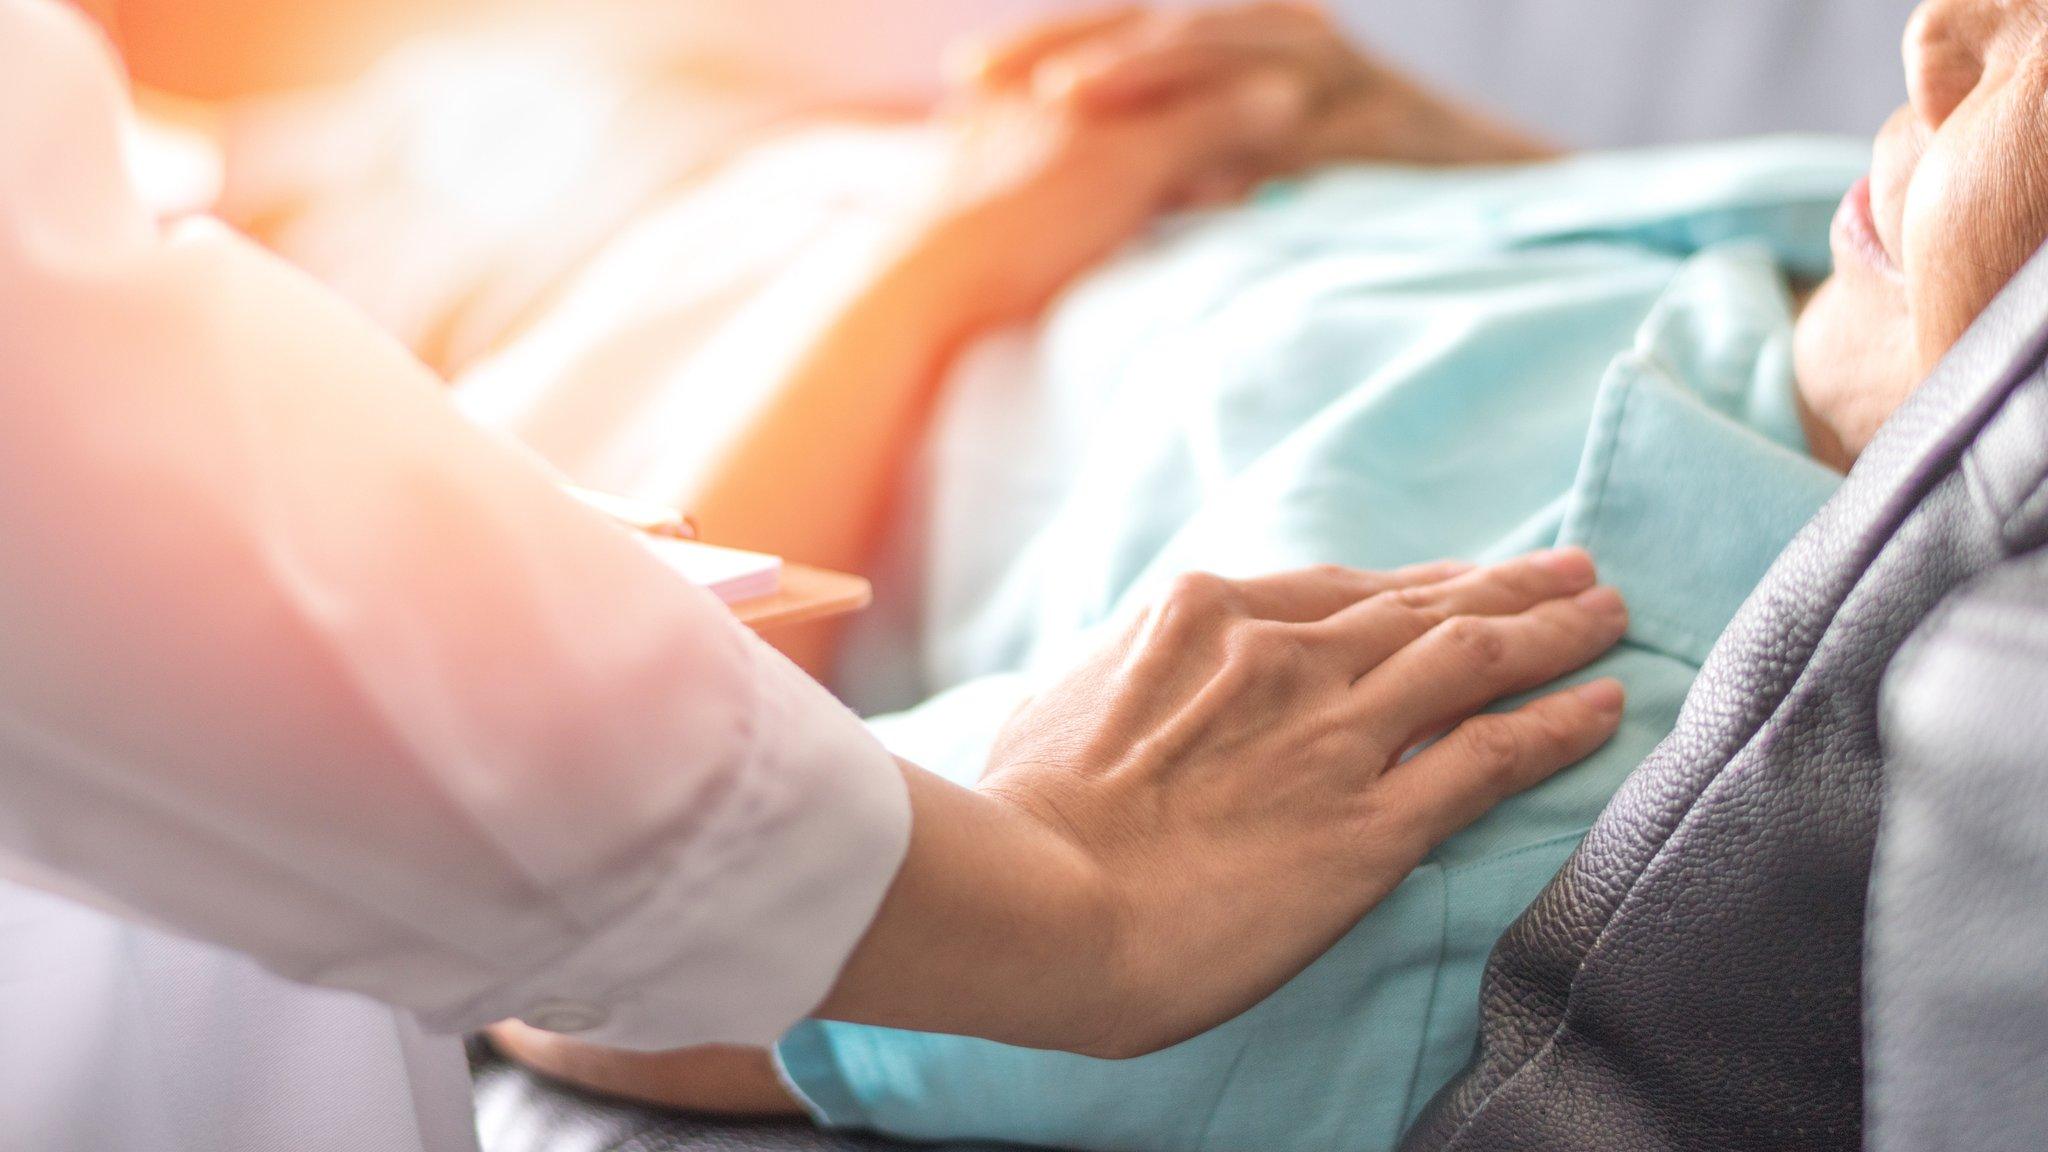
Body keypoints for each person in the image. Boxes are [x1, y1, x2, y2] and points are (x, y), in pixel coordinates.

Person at [0, 0, 1643, 1149]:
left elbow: (449, 709)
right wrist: (1519, 190)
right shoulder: (1812, 234)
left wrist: (937, 257)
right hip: (682, 181)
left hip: (552, 268)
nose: (1917, 52)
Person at [486, 2, 2048, 1150]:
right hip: (709, 155)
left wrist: (950, 251)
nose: (1934, 36)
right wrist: (1473, 180)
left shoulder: (1433, 793)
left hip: (535, 365)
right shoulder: (1873, 273)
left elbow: (551, 906)